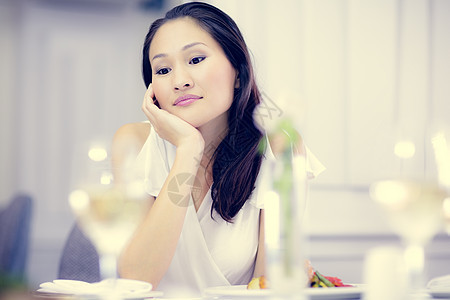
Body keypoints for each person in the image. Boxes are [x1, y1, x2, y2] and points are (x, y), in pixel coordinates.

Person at [112, 2, 324, 297]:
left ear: (237, 71)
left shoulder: (278, 146)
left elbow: (269, 286)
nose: (180, 81)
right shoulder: (134, 143)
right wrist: (188, 150)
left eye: (196, 59)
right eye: (162, 69)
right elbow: (136, 279)